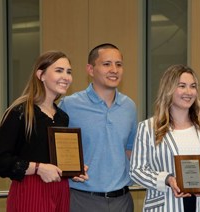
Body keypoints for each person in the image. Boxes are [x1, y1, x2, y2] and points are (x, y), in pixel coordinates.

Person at [0, 50, 88, 212]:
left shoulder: (62, 117)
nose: (66, 77)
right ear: (41, 75)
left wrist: (73, 169)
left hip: (60, 190)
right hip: (30, 191)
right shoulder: (20, 112)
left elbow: (51, 158)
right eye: (59, 70)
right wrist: (37, 168)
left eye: (69, 72)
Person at [130, 64, 200, 212]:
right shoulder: (148, 128)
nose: (189, 92)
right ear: (168, 90)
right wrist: (167, 179)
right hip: (165, 205)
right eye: (182, 86)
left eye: (193, 86)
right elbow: (137, 170)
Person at [58, 43, 137, 212]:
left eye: (119, 64)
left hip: (122, 200)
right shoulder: (69, 105)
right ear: (91, 69)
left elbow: (129, 151)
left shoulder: (129, 106)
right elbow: (55, 150)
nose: (114, 70)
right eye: (106, 64)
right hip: (82, 199)